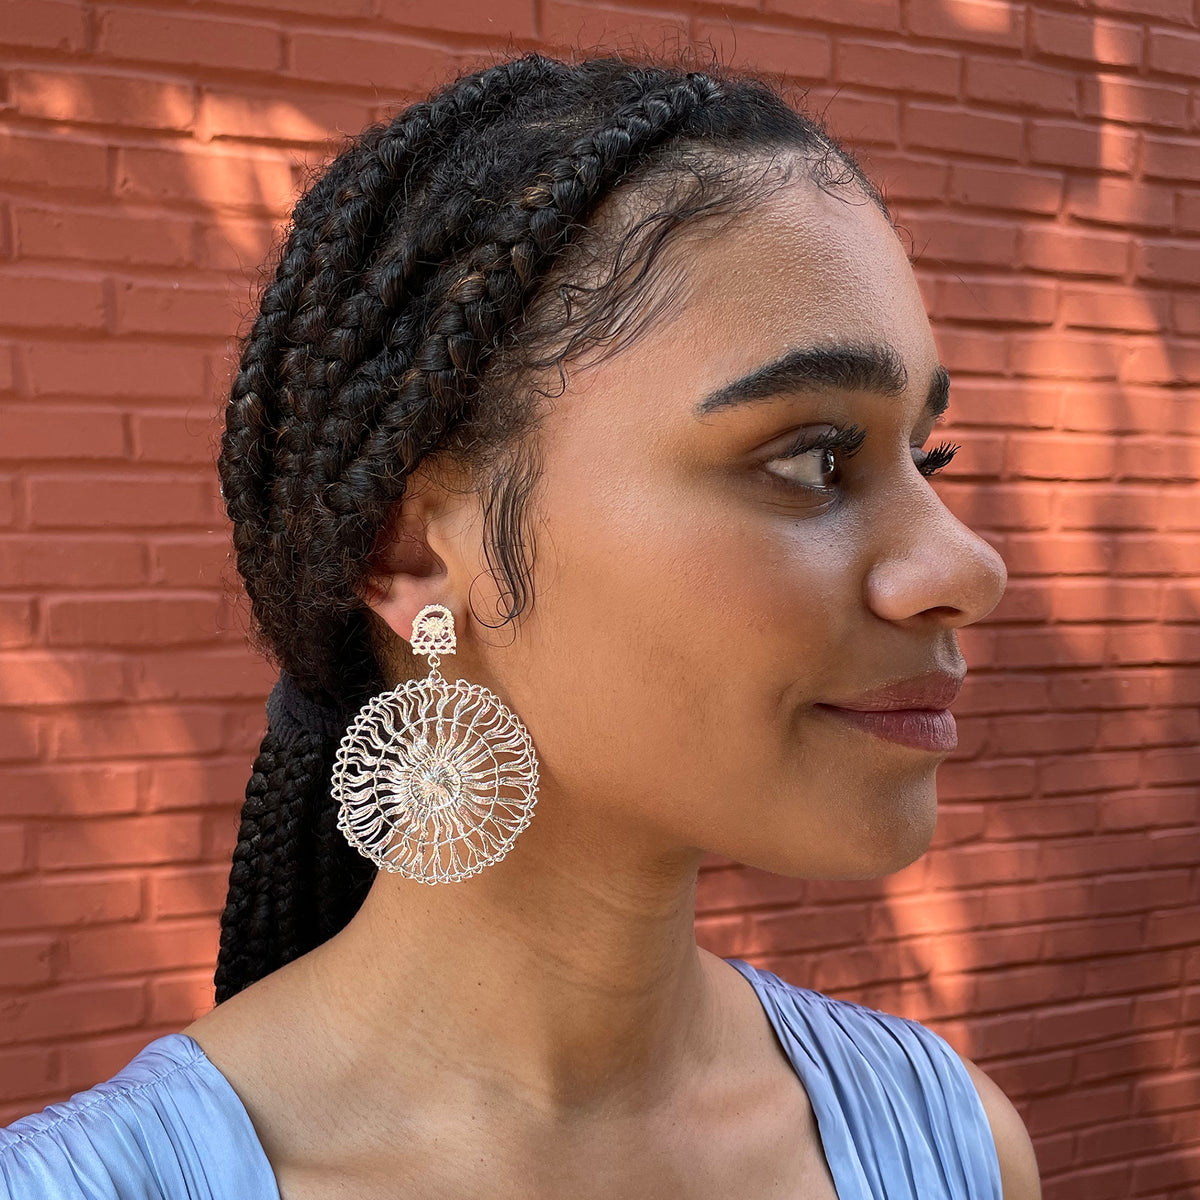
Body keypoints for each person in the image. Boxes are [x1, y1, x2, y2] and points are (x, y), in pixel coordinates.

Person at [0, 47, 1040, 1200]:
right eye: (812, 458)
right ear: (411, 553)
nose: (967, 565)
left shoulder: (952, 1145)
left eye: (928, 455)